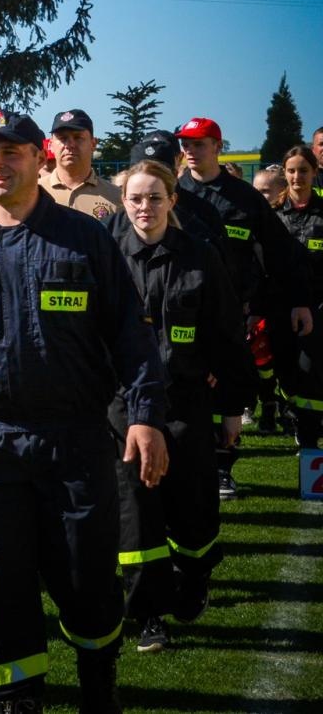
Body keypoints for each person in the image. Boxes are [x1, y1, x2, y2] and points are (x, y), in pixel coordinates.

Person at [0, 112, 168, 714]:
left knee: (86, 582)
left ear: (40, 157)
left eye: (12, 153)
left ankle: (98, 686)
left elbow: (131, 337)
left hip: (75, 442)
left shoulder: (86, 240)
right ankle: (17, 701)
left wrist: (145, 414)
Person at [112, 160, 250, 654]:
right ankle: (149, 612)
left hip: (187, 401)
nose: (144, 207)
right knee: (137, 512)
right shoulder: (106, 256)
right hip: (124, 408)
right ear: (123, 200)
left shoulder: (201, 256)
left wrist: (232, 406)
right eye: (135, 198)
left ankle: (193, 576)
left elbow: (229, 335)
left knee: (193, 511)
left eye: (154, 198)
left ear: (172, 200)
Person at [176, 117, 313, 457]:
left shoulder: (245, 198)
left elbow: (281, 254)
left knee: (229, 388)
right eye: (186, 144)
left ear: (218, 147)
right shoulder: (173, 194)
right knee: (188, 387)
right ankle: (194, 459)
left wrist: (298, 301)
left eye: (199, 143)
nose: (190, 151)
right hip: (182, 311)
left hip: (230, 314)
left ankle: (224, 464)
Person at [275, 146, 323, 449]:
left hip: (318, 309)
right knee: (286, 375)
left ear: (314, 173)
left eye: (303, 170)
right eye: (291, 170)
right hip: (279, 307)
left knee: (310, 371)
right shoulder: (273, 215)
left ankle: (308, 438)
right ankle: (290, 410)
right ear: (284, 173)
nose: (297, 176)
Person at [40, 110, 122, 220]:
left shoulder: (117, 197)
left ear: (93, 144)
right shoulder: (33, 191)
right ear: (51, 145)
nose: (70, 144)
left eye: (78, 137)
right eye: (63, 138)